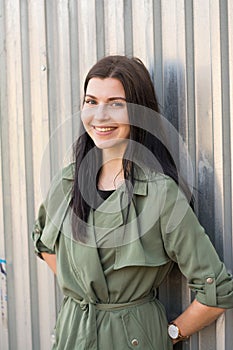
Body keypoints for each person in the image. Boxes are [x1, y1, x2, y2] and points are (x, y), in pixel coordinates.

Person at [32, 55, 233, 349]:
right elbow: (43, 242)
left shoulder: (160, 194)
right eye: (91, 101)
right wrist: (87, 287)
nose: (100, 116)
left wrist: (169, 335)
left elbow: (217, 289)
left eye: (116, 103)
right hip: (72, 335)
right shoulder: (67, 181)